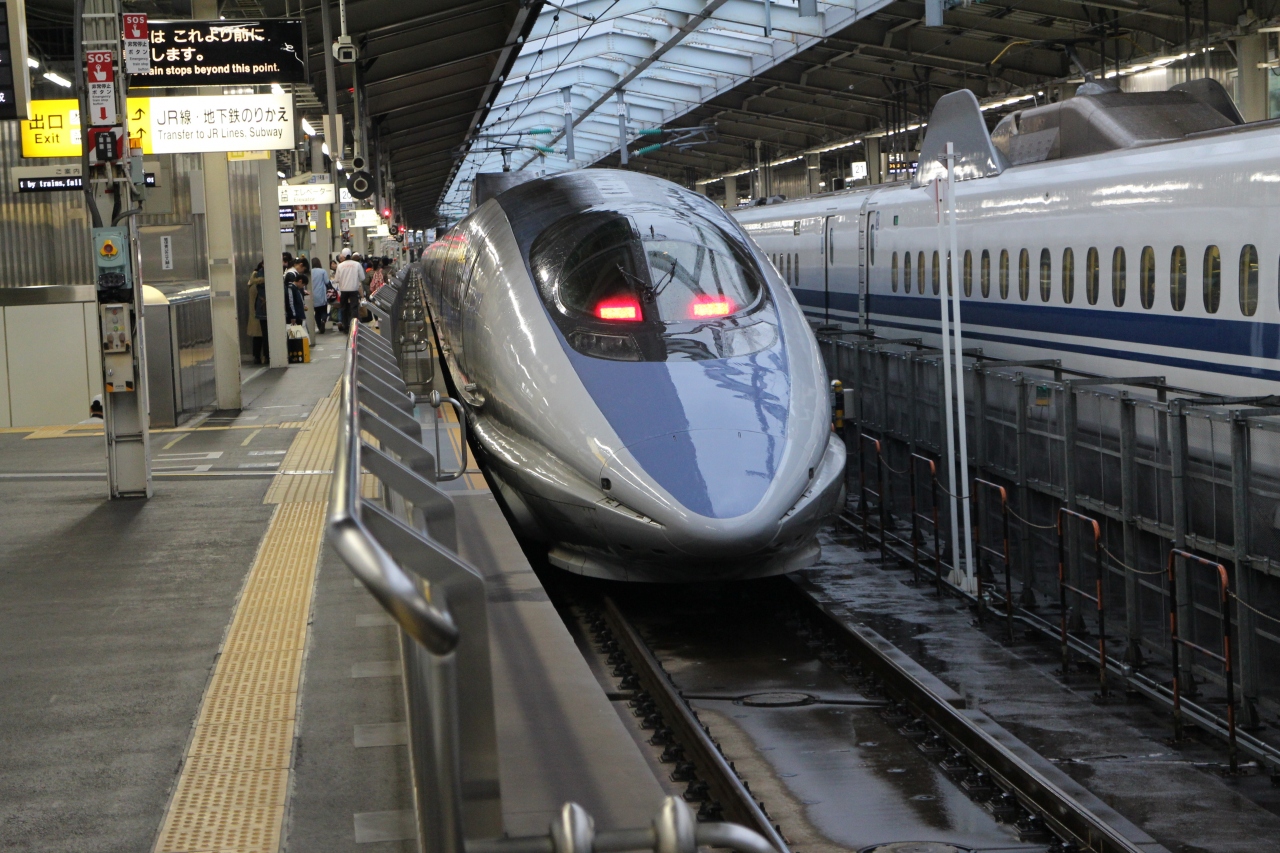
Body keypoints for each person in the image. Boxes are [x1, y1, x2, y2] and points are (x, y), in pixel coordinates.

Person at [333, 248, 366, 333]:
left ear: (343, 256)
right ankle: (354, 325)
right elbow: (362, 277)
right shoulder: (357, 264)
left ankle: (345, 326)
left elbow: (336, 279)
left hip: (343, 290)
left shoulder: (340, 266)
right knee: (354, 308)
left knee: (344, 308)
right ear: (350, 254)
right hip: (354, 290)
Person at [247, 261, 269, 364]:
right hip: (260, 311)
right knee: (263, 335)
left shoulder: (252, 285)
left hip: (255, 313)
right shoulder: (259, 286)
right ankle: (264, 356)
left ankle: (257, 356)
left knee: (258, 336)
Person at [284, 257, 309, 326]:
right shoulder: (291, 274)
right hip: (295, 311)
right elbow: (290, 299)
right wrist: (293, 315)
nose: (302, 271)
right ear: (301, 265)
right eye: (303, 269)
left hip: (297, 310)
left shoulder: (292, 273)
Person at [310, 256, 331, 333]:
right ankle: (323, 320)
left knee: (317, 312)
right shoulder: (322, 271)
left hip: (313, 294)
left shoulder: (310, 272)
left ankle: (319, 326)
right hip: (321, 293)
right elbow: (326, 282)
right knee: (323, 310)